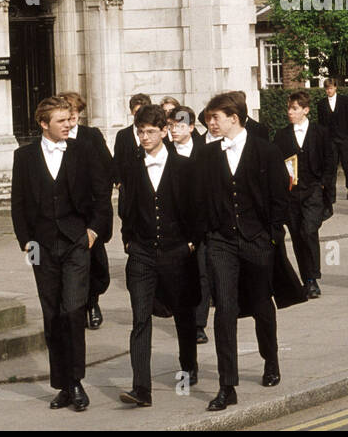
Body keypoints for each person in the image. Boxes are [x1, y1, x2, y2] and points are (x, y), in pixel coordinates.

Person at [11, 95, 112, 413]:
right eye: (62, 121)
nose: (69, 125)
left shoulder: (83, 150)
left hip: (76, 243)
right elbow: (18, 201)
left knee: (72, 311)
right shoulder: (24, 156)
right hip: (40, 247)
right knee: (51, 313)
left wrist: (94, 230)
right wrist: (25, 241)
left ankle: (77, 381)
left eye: (70, 119)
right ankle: (63, 385)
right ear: (44, 124)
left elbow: (102, 192)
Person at [199, 93, 293, 411]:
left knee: (261, 305)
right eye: (210, 118)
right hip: (221, 242)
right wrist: (208, 234)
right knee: (224, 310)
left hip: (257, 240)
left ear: (234, 118)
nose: (210, 123)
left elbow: (280, 196)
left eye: (215, 118)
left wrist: (271, 236)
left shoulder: (266, 151)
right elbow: (200, 198)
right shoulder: (208, 155)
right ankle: (228, 385)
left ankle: (271, 358)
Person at [117, 104, 203, 407]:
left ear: (165, 132)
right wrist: (128, 241)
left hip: (178, 252)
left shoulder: (184, 166)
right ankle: (141, 387)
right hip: (141, 254)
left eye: (150, 132)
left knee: (183, 313)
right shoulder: (130, 167)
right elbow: (125, 208)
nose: (144, 137)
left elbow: (196, 208)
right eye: (140, 132)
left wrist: (191, 244)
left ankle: (188, 364)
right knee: (140, 319)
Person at [273, 90, 336, 298]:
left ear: (305, 110)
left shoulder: (320, 133)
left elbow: (330, 161)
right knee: (298, 236)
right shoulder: (281, 135)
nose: (290, 112)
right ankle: (307, 279)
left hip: (313, 190)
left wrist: (327, 188)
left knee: (309, 230)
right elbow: (276, 164)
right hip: (291, 194)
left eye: (295, 109)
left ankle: (313, 276)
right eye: (289, 108)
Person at [62, 92, 114, 330]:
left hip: (90, 212)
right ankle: (75, 307)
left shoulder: (90, 136)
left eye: (74, 111)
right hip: (65, 213)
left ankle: (92, 302)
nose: (71, 116)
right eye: (66, 111)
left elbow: (107, 166)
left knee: (95, 262)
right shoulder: (54, 138)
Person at [167, 105, 211, 344]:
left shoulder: (205, 152)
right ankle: (183, 318)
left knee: (202, 273)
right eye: (172, 125)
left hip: (200, 224)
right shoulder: (163, 153)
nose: (175, 130)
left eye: (180, 125)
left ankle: (199, 323)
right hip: (174, 226)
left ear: (192, 127)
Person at [315, 77, 348, 201]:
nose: (329, 91)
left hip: (344, 138)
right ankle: (331, 195)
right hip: (330, 140)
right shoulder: (321, 104)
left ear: (335, 87)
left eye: (331, 88)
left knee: (346, 166)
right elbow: (321, 123)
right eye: (327, 89)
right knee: (331, 168)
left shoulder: (345, 101)